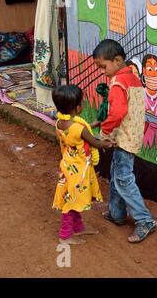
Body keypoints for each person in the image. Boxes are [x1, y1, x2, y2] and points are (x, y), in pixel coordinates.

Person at [92, 39, 157, 243]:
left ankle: (145, 220)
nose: (103, 72)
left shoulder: (118, 82)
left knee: (122, 178)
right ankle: (117, 213)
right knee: (116, 174)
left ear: (117, 60)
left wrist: (105, 130)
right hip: (132, 135)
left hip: (124, 139)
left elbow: (119, 110)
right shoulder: (132, 78)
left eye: (104, 67)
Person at [52, 85, 113, 245]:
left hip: (67, 167)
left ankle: (78, 228)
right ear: (77, 107)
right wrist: (108, 143)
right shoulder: (79, 128)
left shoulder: (60, 123)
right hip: (79, 171)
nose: (84, 103)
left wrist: (91, 125)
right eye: (83, 101)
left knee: (74, 199)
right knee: (71, 205)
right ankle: (64, 236)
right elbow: (95, 143)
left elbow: (78, 131)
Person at [141, 54, 157, 149]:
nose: (153, 73)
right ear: (144, 71)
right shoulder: (140, 94)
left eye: (156, 70)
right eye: (150, 69)